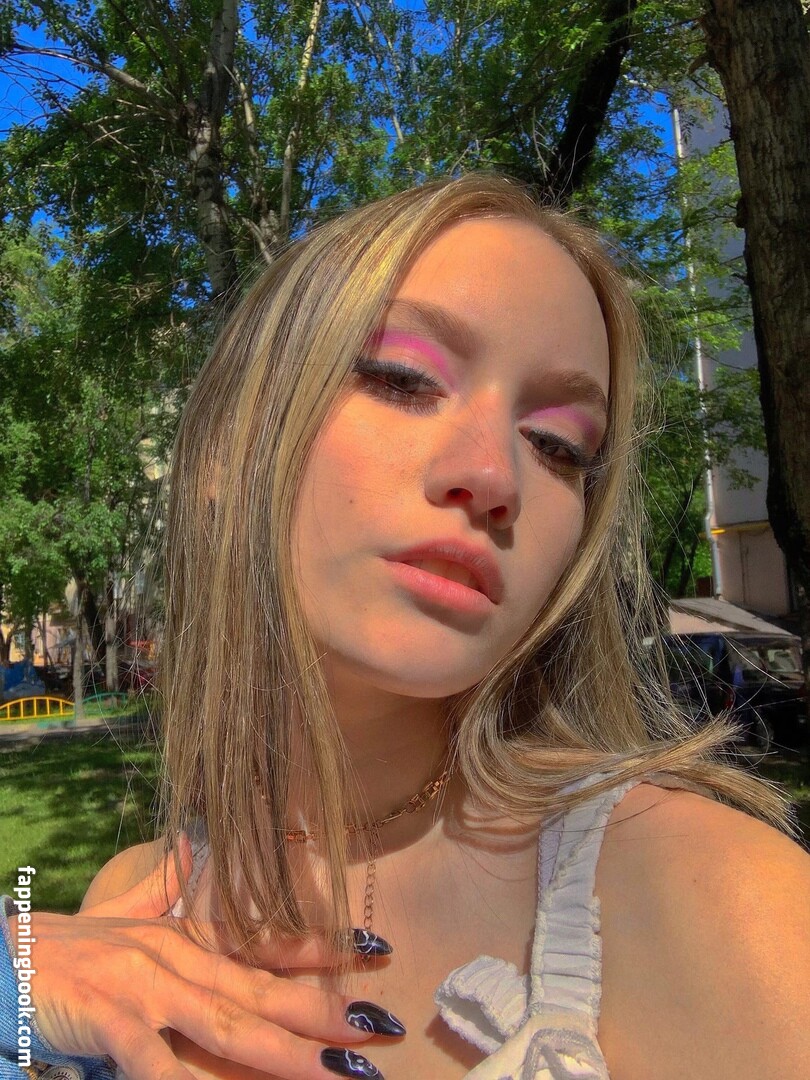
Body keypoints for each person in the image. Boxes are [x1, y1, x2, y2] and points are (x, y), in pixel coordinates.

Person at [2, 174, 809, 1080]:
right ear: (226, 446)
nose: (495, 476)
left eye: (558, 445)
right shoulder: (133, 900)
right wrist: (10, 995)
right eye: (403, 378)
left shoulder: (726, 905)